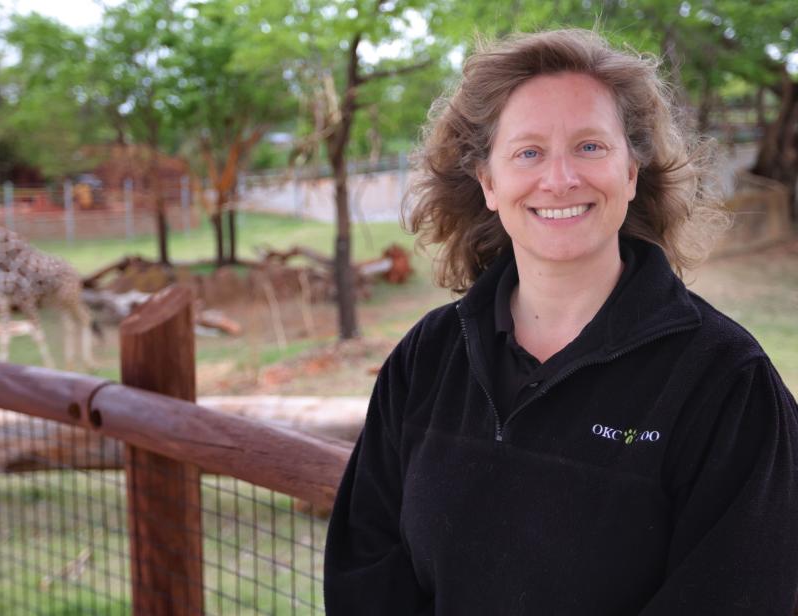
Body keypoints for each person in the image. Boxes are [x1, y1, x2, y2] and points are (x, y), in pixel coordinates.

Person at [323, 29, 798, 615]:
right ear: (488, 183)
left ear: (632, 171)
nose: (560, 179)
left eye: (590, 147)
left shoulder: (727, 381)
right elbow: (366, 571)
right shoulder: (429, 357)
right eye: (528, 152)